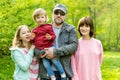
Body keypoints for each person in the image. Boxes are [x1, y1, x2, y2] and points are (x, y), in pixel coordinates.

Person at [38, 4, 78, 80]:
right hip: (46, 73)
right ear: (53, 14)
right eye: (56, 12)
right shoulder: (43, 28)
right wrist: (39, 53)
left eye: (62, 13)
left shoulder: (70, 29)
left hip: (63, 72)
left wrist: (55, 52)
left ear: (65, 15)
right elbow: (36, 44)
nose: (59, 15)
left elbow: (74, 46)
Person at [32, 8, 67, 80]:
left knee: (55, 61)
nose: (40, 19)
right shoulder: (35, 30)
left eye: (42, 17)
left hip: (49, 47)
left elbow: (53, 36)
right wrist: (32, 38)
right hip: (42, 50)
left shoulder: (48, 27)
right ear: (35, 19)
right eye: (38, 18)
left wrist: (50, 37)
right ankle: (52, 76)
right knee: (46, 64)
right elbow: (34, 41)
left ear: (45, 18)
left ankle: (62, 73)